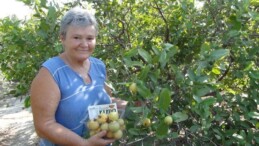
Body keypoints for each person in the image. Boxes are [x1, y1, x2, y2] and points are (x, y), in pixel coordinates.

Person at [30, 7, 127, 146]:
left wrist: (130, 105)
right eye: (76, 37)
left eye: (90, 38)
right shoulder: (50, 74)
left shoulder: (99, 66)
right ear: (62, 38)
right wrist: (84, 143)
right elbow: (43, 126)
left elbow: (103, 100)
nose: (84, 44)